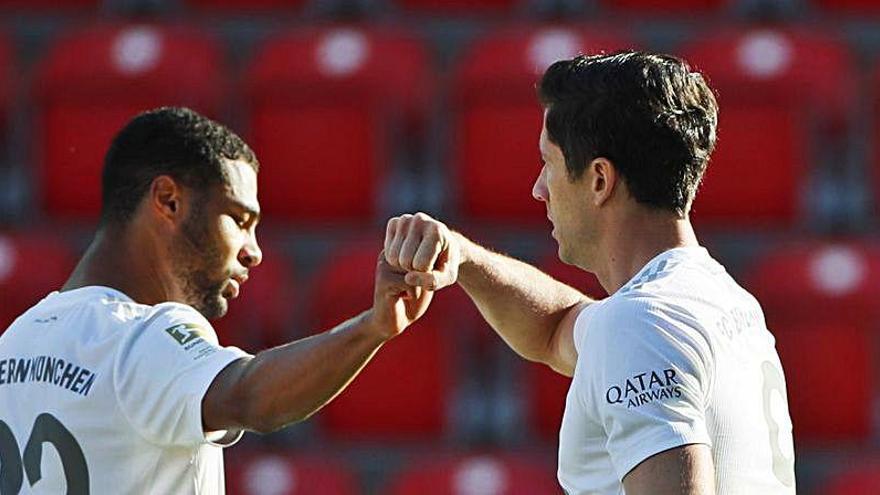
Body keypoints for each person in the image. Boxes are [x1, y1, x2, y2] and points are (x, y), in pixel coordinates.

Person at [384, 51, 795, 494]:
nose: (539, 189)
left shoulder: (640, 324)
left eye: (549, 163)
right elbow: (554, 327)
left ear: (600, 180)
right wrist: (465, 257)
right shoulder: (720, 298)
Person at [0, 107, 432, 494]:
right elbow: (248, 396)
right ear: (169, 201)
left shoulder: (14, 342)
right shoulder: (142, 337)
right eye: (240, 220)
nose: (254, 250)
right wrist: (372, 327)